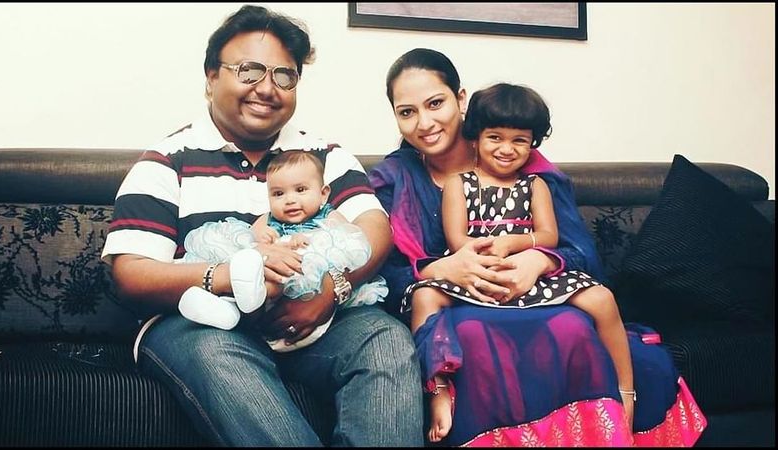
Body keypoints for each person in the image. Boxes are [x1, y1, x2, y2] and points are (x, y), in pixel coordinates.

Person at [101, 5, 422, 446]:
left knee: (384, 339)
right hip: (204, 325)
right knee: (218, 352)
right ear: (211, 77)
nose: (267, 89)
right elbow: (131, 273)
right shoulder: (167, 160)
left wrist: (330, 292)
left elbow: (374, 228)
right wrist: (231, 275)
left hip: (314, 323)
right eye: (248, 71)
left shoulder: (324, 156)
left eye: (284, 76)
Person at [369, 48, 706, 446]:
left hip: (536, 295)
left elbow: (584, 255)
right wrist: (437, 268)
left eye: (435, 104)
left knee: (571, 326)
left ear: (460, 99)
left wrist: (538, 259)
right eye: (407, 112)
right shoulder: (394, 180)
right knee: (470, 337)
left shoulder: (521, 162)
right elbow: (381, 278)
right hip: (460, 305)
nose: (424, 123)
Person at [406, 82, 634, 440]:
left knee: (602, 298)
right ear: (476, 137)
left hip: (528, 272)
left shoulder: (535, 185)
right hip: (476, 271)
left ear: (533, 144)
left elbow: (548, 236)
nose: (506, 149)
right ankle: (438, 390)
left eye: (519, 140)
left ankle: (624, 392)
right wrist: (485, 255)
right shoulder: (459, 184)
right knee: (423, 297)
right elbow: (456, 240)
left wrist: (515, 243)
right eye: (495, 137)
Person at [177, 149, 387, 353]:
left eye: (301, 190)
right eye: (278, 194)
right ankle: (224, 309)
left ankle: (239, 305)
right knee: (253, 270)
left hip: (307, 281)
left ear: (323, 194)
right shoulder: (269, 219)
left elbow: (347, 240)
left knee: (270, 283)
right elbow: (252, 238)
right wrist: (263, 239)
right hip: (270, 280)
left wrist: (311, 239)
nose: (290, 200)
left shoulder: (328, 215)